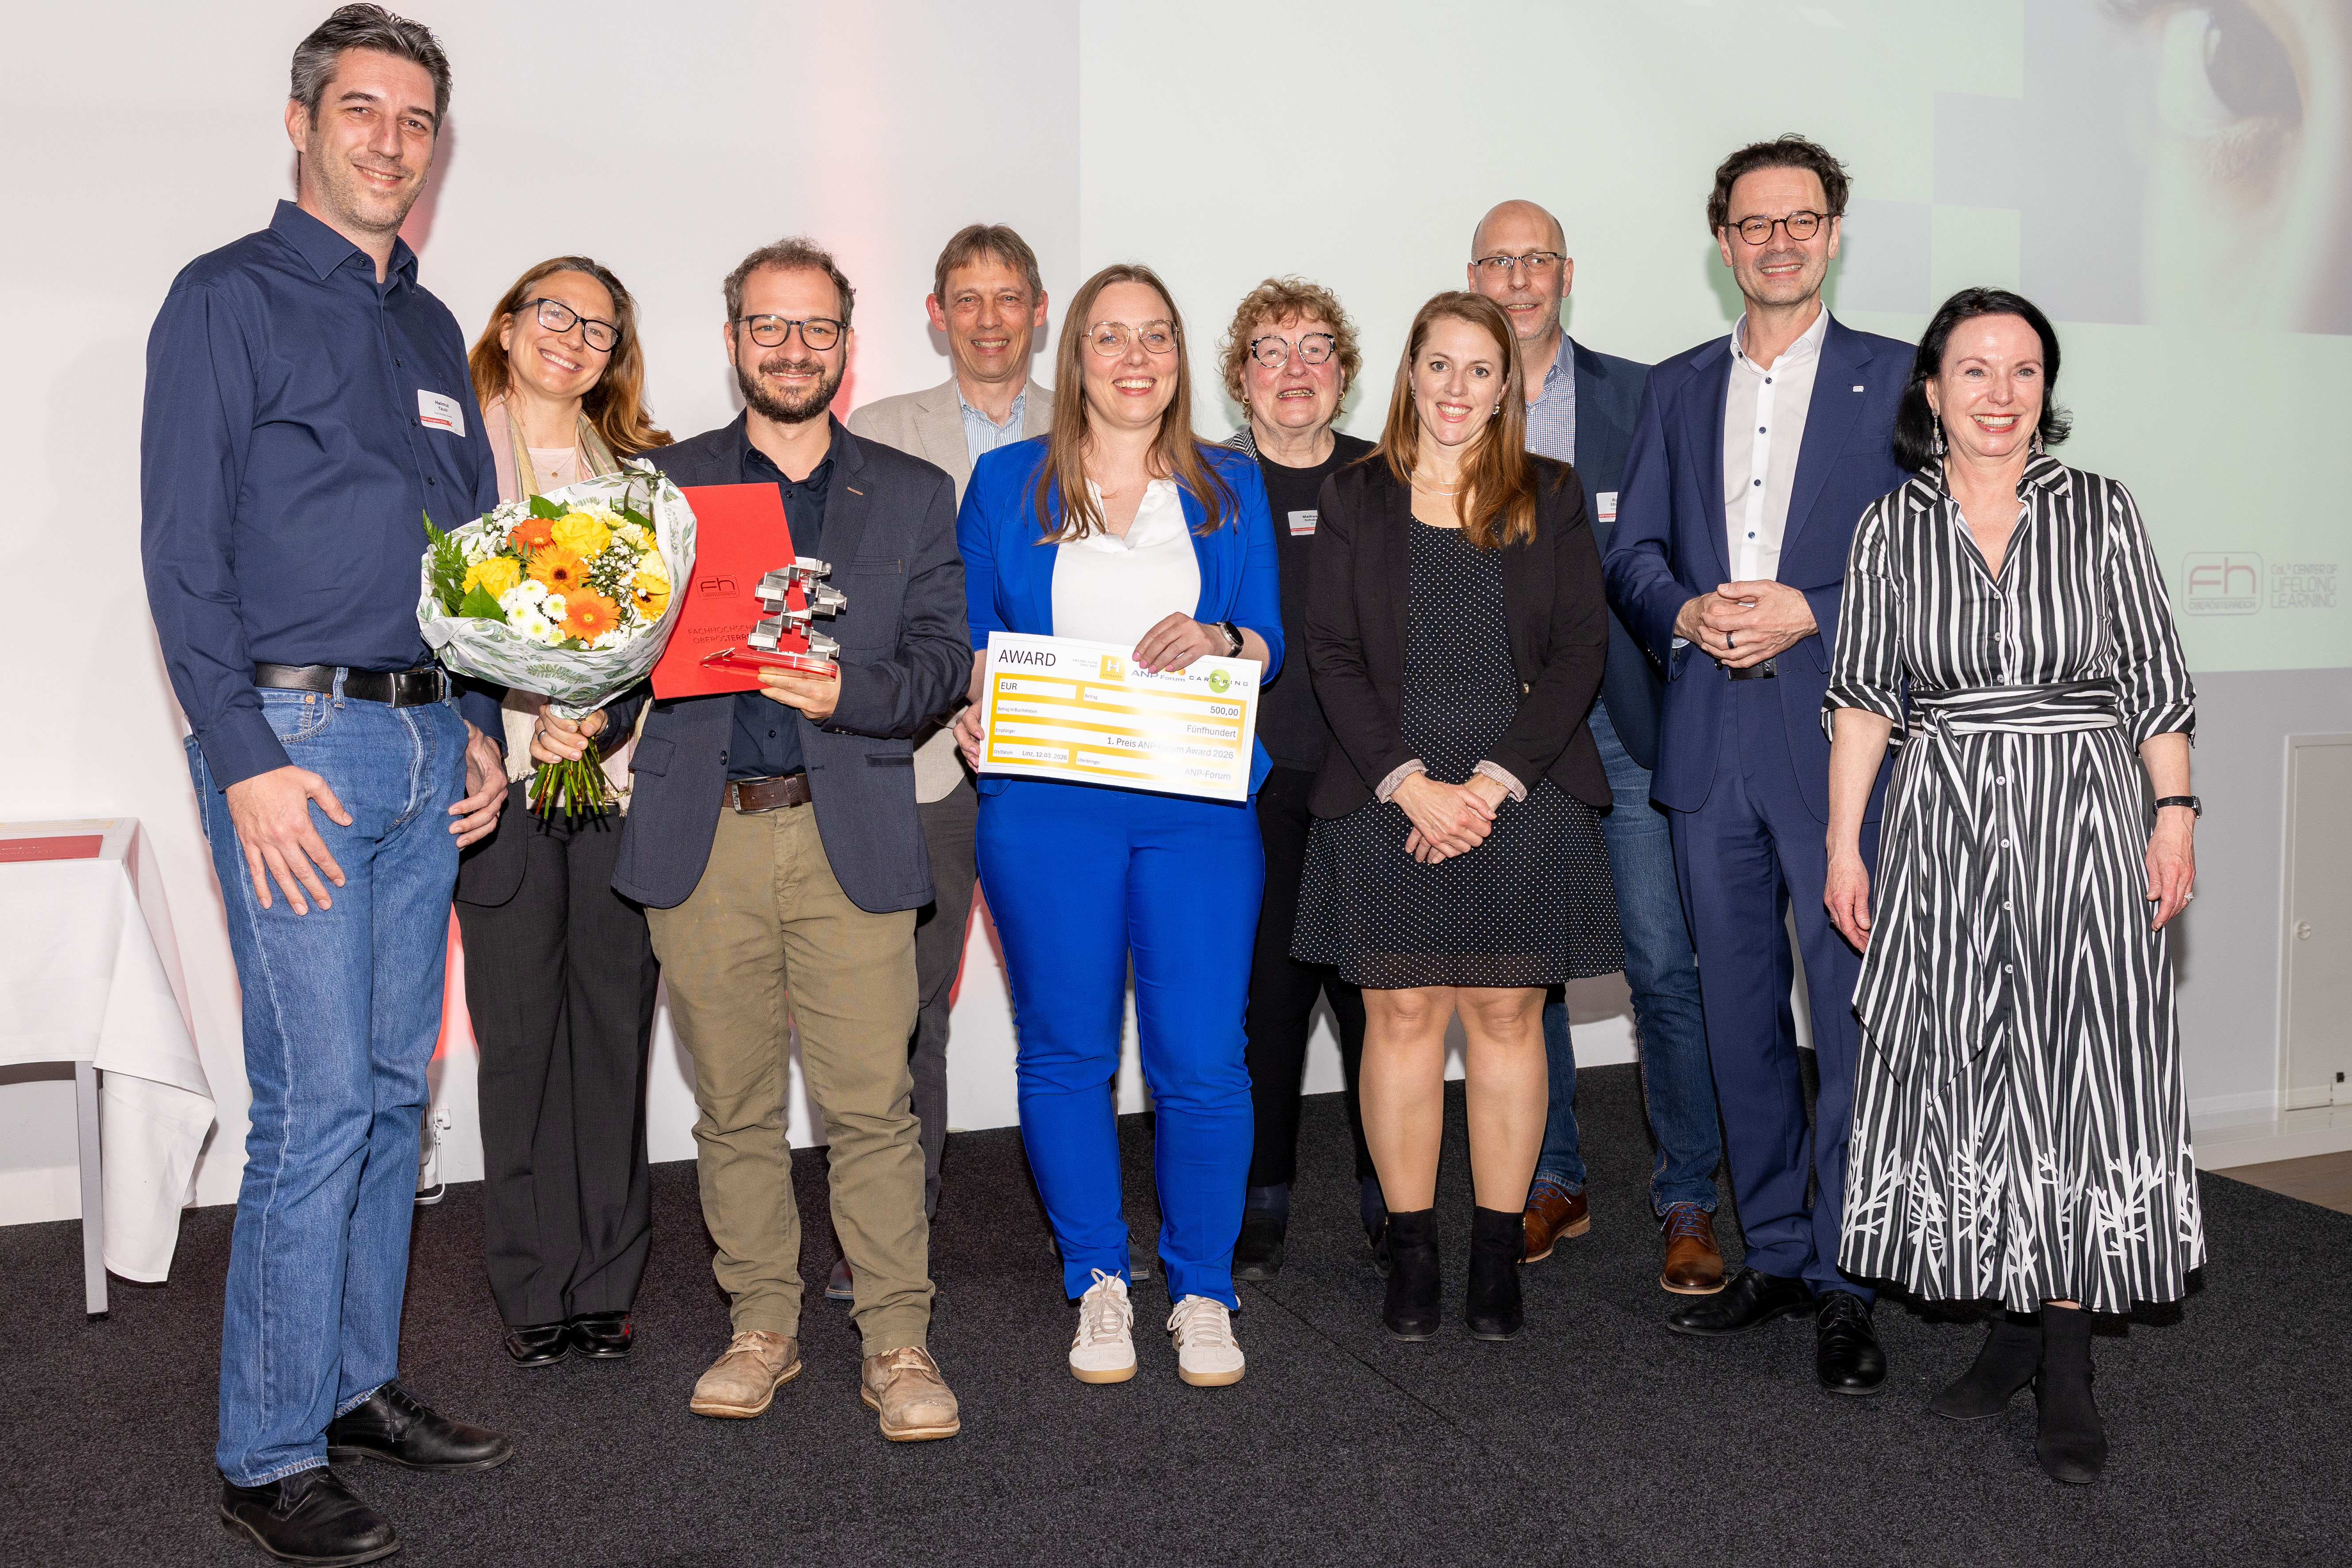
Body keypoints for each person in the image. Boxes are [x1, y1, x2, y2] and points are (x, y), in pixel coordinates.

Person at [139, 8, 513, 1562]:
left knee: (387, 1094)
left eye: (415, 118)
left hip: (430, 745)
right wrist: (244, 766)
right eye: (360, 109)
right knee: (305, 1114)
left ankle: (354, 1383)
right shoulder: (223, 300)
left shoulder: (433, 332)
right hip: (300, 750)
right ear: (299, 123)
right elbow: (182, 560)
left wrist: (483, 713)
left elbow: (479, 556)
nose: (388, 140)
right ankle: (266, 1449)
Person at [548, 237, 968, 1442]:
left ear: (845, 344)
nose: (793, 349)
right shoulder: (660, 487)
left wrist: (856, 694)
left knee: (871, 1109)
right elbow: (624, 650)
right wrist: (585, 701)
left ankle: (897, 1340)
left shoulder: (910, 490)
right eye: (769, 328)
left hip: (851, 835)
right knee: (731, 1109)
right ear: (734, 340)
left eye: (817, 329)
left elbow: (944, 657)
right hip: (705, 842)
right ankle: (762, 1330)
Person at [1824, 288, 2203, 1484]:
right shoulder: (1890, 528)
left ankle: (2071, 1363)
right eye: (1974, 369)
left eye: (2024, 370)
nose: (2000, 393)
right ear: (1930, 390)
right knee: (1979, 1078)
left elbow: (2153, 676)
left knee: (2084, 1084)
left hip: (2087, 823)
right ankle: (2008, 1331)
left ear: (2047, 390)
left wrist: (2175, 813)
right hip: (1946, 832)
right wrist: (1845, 846)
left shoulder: (2099, 512)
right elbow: (1865, 701)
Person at [1603, 135, 1911, 1395]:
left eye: (1799, 220)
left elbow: (1927, 564)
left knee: (1844, 1020)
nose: (1776, 241)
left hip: (1841, 753)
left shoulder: (1899, 381)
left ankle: (1846, 1272)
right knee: (1735, 1019)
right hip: (1709, 746)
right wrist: (1681, 613)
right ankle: (1776, 1250)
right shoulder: (1674, 389)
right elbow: (1633, 555)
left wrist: (1815, 608)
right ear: (1721, 242)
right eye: (1751, 223)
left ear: (1832, 233)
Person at [952, 263, 1277, 1388]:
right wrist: (971, 702)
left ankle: (1200, 1286)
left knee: (1202, 1060)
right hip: (1046, 808)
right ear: (1073, 357)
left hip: (1194, 808)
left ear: (1180, 358)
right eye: (1108, 338)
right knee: (1065, 1052)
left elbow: (1268, 637)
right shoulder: (1005, 482)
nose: (1134, 357)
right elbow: (968, 632)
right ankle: (1096, 1278)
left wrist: (1223, 638)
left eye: (1155, 337)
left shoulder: (1229, 484)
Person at [1296, 291, 1621, 1344]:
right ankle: (1411, 1248)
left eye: (1480, 370)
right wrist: (1409, 782)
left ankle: (1493, 1250)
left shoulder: (1552, 493)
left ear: (1508, 384)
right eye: (1438, 365)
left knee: (1502, 1014)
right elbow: (1331, 655)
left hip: (1516, 795)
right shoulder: (1355, 495)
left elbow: (1579, 653)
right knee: (1396, 1015)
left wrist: (1484, 785)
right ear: (1408, 372)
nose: (1456, 388)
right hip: (1387, 795)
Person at [1467, 199, 1725, 1292]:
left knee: (1663, 966)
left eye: (1537, 259)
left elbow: (1678, 541)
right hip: (1492, 737)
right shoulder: (1445, 395)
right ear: (1471, 275)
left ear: (1565, 273)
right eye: (1498, 260)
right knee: (1524, 975)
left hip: (1621, 725)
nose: (1519, 278)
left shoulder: (1641, 395)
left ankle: (1687, 1198)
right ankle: (1552, 1178)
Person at [453, 256, 671, 1368]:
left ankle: (605, 1273)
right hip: (498, 789)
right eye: (556, 313)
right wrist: (507, 717)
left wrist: (597, 713)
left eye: (599, 326)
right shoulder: (447, 454)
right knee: (519, 1038)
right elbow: (424, 615)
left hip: (613, 783)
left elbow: (664, 627)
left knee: (610, 1031)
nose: (574, 338)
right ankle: (532, 1280)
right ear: (509, 322)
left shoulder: (642, 477)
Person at [843, 223, 1055, 1284]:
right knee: (904, 1003)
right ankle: (890, 1232)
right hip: (925, 762)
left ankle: (1085, 1225)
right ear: (935, 314)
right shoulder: (877, 432)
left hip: (1064, 766)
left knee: (1062, 1003)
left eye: (1006, 297)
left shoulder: (1099, 424)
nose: (986, 318)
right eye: (965, 299)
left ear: (1038, 309)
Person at [1215, 277, 1379, 1279]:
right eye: (1270, 351)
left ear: (1345, 376)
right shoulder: (1199, 484)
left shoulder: (1389, 478)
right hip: (1251, 777)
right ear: (1239, 377)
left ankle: (1387, 1191)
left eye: (1316, 349)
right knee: (1264, 1000)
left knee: (1376, 1001)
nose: (1294, 369)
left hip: (1373, 780)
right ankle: (1259, 1194)